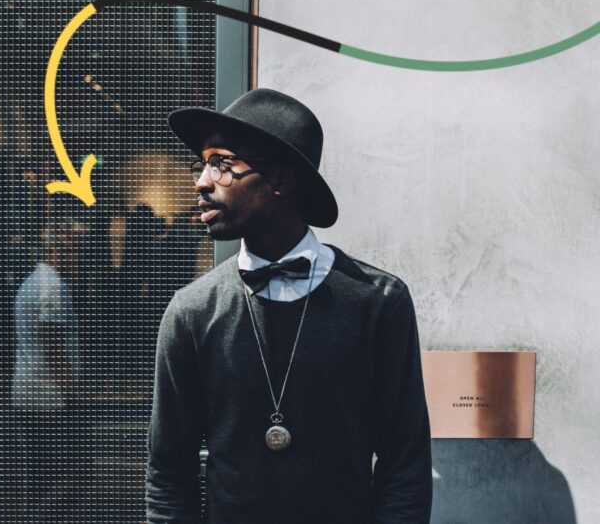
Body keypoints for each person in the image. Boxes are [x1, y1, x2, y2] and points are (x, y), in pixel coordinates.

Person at [145, 88, 433, 523]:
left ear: (281, 181)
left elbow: (405, 467)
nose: (202, 182)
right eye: (203, 164)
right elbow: (169, 474)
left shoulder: (378, 302)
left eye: (222, 164)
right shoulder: (192, 312)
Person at [12, 220, 85, 517]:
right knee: (58, 480)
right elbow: (52, 344)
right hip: (50, 398)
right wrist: (72, 392)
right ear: (58, 251)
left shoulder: (31, 283)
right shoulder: (51, 287)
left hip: (31, 393)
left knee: (40, 478)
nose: (78, 260)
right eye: (74, 252)